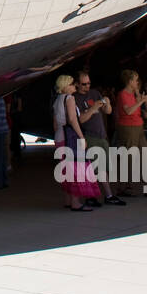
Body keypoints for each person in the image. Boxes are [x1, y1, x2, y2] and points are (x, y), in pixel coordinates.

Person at [53, 75, 101, 210]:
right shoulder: (70, 98)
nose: (74, 85)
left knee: (66, 170)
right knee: (76, 169)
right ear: (66, 86)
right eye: (72, 83)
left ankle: (68, 200)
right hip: (70, 138)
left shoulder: (57, 100)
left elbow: (55, 123)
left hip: (60, 137)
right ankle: (75, 202)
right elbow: (74, 120)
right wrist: (81, 137)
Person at [76, 71, 124, 205]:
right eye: (84, 84)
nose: (87, 86)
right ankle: (99, 195)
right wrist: (93, 108)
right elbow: (80, 119)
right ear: (77, 84)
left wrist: (107, 103)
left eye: (88, 83)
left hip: (101, 135)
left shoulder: (94, 93)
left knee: (103, 167)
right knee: (94, 168)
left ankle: (104, 195)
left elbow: (107, 111)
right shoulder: (75, 99)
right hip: (89, 136)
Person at [114, 70, 147, 197]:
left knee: (144, 154)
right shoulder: (123, 94)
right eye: (135, 80)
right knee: (129, 157)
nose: (137, 82)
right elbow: (129, 111)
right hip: (128, 127)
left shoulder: (133, 94)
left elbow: (145, 113)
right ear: (130, 81)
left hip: (139, 126)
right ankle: (122, 187)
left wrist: (142, 99)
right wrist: (141, 101)